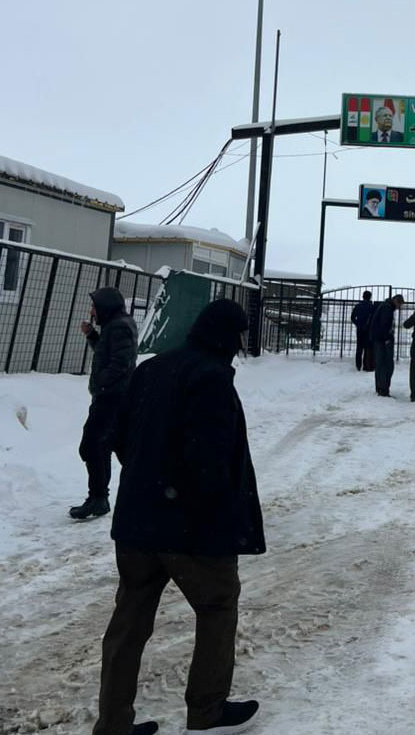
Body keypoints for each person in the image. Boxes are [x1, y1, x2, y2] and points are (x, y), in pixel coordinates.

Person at [92, 299, 263, 735]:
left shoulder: (153, 369)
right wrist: (214, 515)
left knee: (128, 622)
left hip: (135, 522)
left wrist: (145, 478)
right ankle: (207, 712)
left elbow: (119, 434)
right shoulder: (211, 379)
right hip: (188, 528)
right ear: (230, 337)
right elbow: (208, 459)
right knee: (217, 604)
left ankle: (113, 724)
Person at [70, 287, 138, 520]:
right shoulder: (115, 325)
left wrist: (100, 383)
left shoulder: (119, 326)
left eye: (94, 307)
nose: (91, 311)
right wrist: (92, 336)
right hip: (116, 398)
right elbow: (109, 353)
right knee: (114, 447)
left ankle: (99, 498)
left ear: (105, 307)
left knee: (92, 445)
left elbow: (121, 362)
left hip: (112, 399)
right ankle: (107, 497)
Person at [370, 294, 404, 396]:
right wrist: (387, 338)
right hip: (383, 340)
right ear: (396, 301)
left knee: (381, 363)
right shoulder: (387, 308)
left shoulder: (386, 306)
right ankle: (383, 389)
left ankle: (380, 387)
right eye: (399, 305)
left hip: (379, 339)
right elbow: (385, 324)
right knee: (386, 364)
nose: (399, 308)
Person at [350, 290, 376, 372]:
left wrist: (358, 324)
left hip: (360, 329)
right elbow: (374, 319)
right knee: (367, 348)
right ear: (370, 297)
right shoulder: (372, 307)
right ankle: (366, 365)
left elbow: (352, 317)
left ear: (363, 296)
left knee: (359, 348)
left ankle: (358, 366)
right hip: (368, 330)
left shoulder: (358, 306)